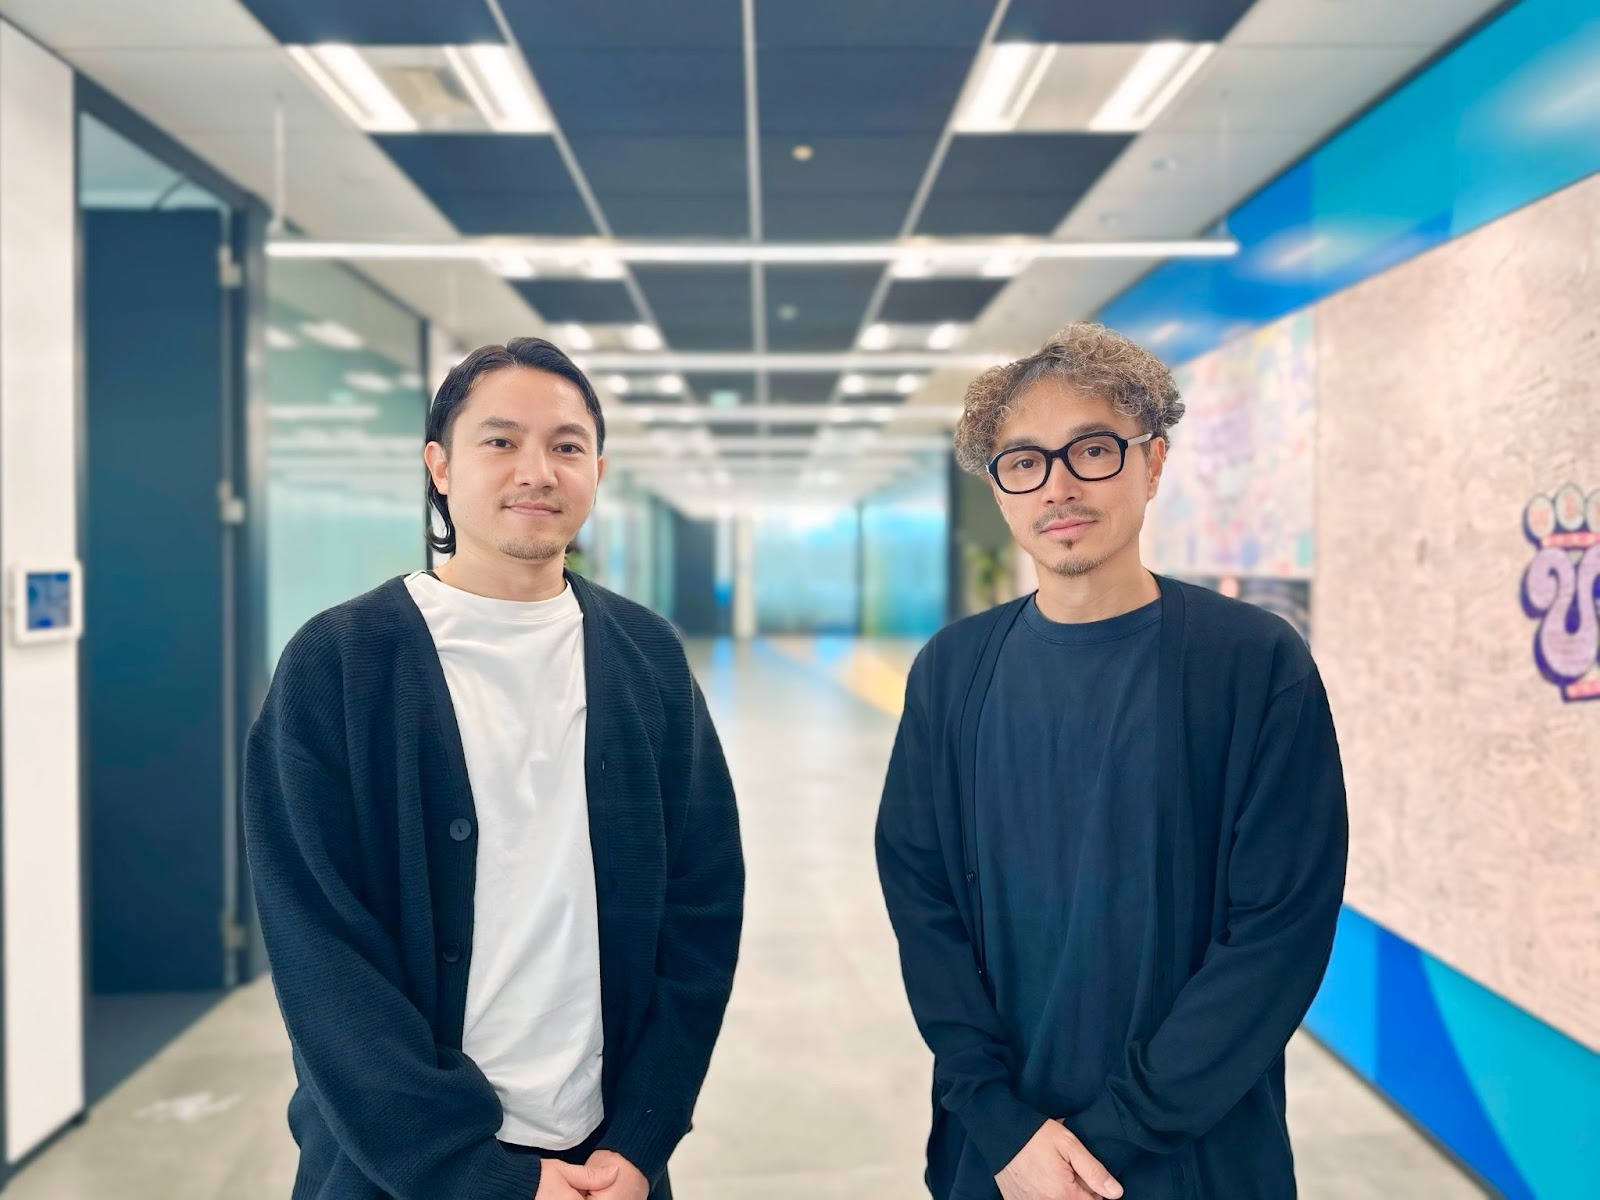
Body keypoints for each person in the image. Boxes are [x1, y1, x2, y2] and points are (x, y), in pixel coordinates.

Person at [245, 337, 744, 1200]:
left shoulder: (647, 656)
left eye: (567, 446)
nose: (536, 472)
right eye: (500, 440)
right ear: (439, 466)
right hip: (399, 1171)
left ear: (597, 472)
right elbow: (320, 949)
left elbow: (701, 905)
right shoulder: (341, 663)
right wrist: (473, 1175)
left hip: (608, 1162)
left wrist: (644, 1133)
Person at [876, 323, 1347, 1200]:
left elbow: (1278, 931)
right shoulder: (953, 670)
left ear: (1153, 462)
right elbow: (922, 899)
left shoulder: (1250, 663)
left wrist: (1114, 1139)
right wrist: (1001, 1124)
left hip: (1193, 1157)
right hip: (1001, 1155)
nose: (1057, 486)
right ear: (999, 489)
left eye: (1092, 450)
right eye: (1024, 462)